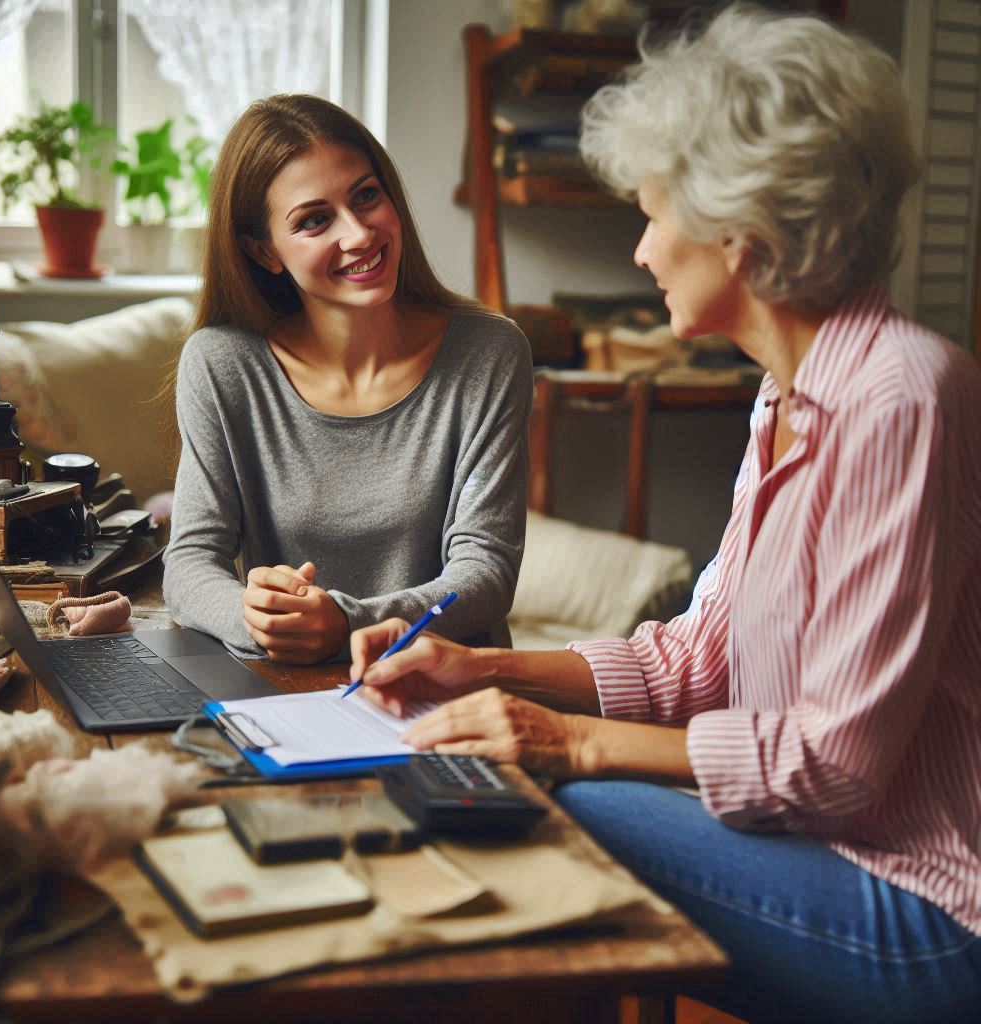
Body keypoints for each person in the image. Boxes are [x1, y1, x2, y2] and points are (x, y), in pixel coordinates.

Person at [347, 6, 981, 1022]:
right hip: (825, 854)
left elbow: (835, 765)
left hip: (930, 905)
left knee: (543, 804)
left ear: (738, 225)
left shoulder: (901, 393)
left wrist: (567, 740)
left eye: (652, 215)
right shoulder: (784, 393)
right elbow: (696, 661)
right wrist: (481, 667)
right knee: (511, 784)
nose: (640, 251)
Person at [163, 95, 532, 664]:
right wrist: (255, 616)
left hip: (447, 685)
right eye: (314, 220)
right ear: (265, 252)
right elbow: (189, 565)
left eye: (366, 196)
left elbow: (485, 573)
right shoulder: (221, 365)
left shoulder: (489, 352)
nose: (359, 234)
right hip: (288, 692)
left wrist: (348, 623)